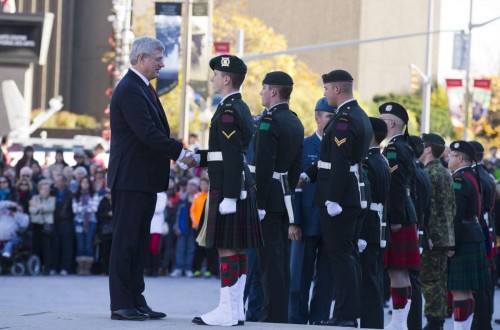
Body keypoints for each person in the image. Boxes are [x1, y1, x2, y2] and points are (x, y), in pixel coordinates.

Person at [107, 36, 195, 321]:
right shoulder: (131, 89)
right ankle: (121, 303)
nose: (162, 63)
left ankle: (135, 298)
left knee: (138, 242)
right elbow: (147, 133)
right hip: (130, 178)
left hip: (141, 178)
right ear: (141, 58)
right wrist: (180, 153)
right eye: (158, 59)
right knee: (126, 242)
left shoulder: (143, 88)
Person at [192, 55, 263, 327]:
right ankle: (234, 309)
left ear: (226, 79)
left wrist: (231, 196)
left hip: (229, 185)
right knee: (236, 249)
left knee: (226, 248)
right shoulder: (237, 106)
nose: (212, 78)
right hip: (233, 181)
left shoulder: (229, 111)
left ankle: (227, 309)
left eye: (215, 74)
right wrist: (197, 158)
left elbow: (232, 155)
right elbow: (224, 153)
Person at [301, 69, 371, 327]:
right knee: (346, 257)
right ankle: (347, 313)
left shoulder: (344, 119)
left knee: (341, 258)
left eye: (326, 89)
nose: (325, 93)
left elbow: (340, 162)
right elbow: (330, 161)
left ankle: (346, 315)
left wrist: (333, 199)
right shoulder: (357, 114)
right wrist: (309, 175)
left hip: (341, 198)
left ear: (337, 89)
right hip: (349, 193)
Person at [252, 71, 304, 324]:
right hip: (284, 195)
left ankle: (271, 314)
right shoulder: (294, 121)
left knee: (269, 261)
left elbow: (262, 164)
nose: (261, 93)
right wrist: (289, 191)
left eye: (263, 88)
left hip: (269, 198)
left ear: (273, 91)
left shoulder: (269, 121)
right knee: (280, 259)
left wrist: (258, 201)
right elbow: (296, 165)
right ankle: (279, 313)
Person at [288, 97, 334, 325]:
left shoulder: (340, 148)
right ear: (317, 116)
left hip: (331, 223)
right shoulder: (304, 146)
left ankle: (320, 319)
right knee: (299, 276)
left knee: (326, 277)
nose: (331, 121)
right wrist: (293, 221)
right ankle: (296, 319)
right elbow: (294, 187)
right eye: (328, 117)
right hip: (305, 221)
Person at [379, 102, 421, 330]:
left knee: (397, 270)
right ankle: (400, 320)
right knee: (401, 271)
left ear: (392, 123)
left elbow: (395, 186)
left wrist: (394, 218)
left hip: (400, 215)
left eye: (383, 121)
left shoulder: (394, 148)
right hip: (407, 212)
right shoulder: (405, 146)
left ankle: (398, 321)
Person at [447, 141, 491, 330]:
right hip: (474, 234)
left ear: (459, 158)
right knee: (468, 291)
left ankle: (460, 328)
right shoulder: (473, 176)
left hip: (463, 237)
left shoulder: (459, 180)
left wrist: (451, 243)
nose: (448, 158)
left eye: (451, 155)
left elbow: (455, 214)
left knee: (460, 291)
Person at [419, 133, 456, 330]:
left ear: (427, 149)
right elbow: (452, 207)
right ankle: (438, 319)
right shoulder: (444, 173)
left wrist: (428, 235)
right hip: (444, 235)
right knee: (439, 279)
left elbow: (429, 209)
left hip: (433, 236)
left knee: (430, 279)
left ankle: (434, 321)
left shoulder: (428, 174)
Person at [358, 117, 391, 329]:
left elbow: (366, 199)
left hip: (369, 227)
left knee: (368, 281)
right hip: (379, 226)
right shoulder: (382, 160)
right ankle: (374, 322)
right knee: (374, 279)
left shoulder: (369, 162)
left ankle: (371, 324)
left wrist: (360, 233)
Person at [469, 140, 496, 330]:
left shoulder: (477, 175)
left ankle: (481, 323)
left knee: (482, 283)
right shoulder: (484, 173)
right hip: (487, 229)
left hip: (481, 230)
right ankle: (482, 321)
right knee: (485, 282)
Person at [171, 178, 199, 278]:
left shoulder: (198, 198)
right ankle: (178, 268)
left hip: (194, 227)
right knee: (180, 248)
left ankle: (188, 268)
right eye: (189, 185)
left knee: (191, 249)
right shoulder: (182, 198)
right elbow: (176, 214)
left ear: (197, 187)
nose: (191, 187)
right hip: (182, 227)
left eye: (193, 185)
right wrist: (176, 227)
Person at [72, 176, 99, 275]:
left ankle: (87, 267)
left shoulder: (94, 194)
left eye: (87, 183)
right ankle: (80, 267)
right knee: (80, 244)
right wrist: (87, 207)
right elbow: (75, 210)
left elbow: (94, 209)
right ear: (80, 184)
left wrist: (82, 208)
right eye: (83, 182)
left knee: (88, 243)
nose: (85, 184)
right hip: (78, 221)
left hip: (91, 222)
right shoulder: (76, 195)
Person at [51, 173, 74, 276]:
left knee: (66, 245)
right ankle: (55, 267)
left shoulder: (70, 193)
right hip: (55, 221)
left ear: (64, 182)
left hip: (66, 221)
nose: (57, 183)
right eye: (56, 181)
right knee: (55, 245)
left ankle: (65, 267)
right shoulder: (53, 192)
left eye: (59, 181)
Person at [96, 188, 113, 275]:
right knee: (104, 250)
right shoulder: (103, 202)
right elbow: (99, 214)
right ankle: (103, 269)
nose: (109, 195)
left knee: (113, 251)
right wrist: (108, 214)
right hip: (105, 229)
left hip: (115, 229)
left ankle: (112, 270)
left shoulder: (117, 201)